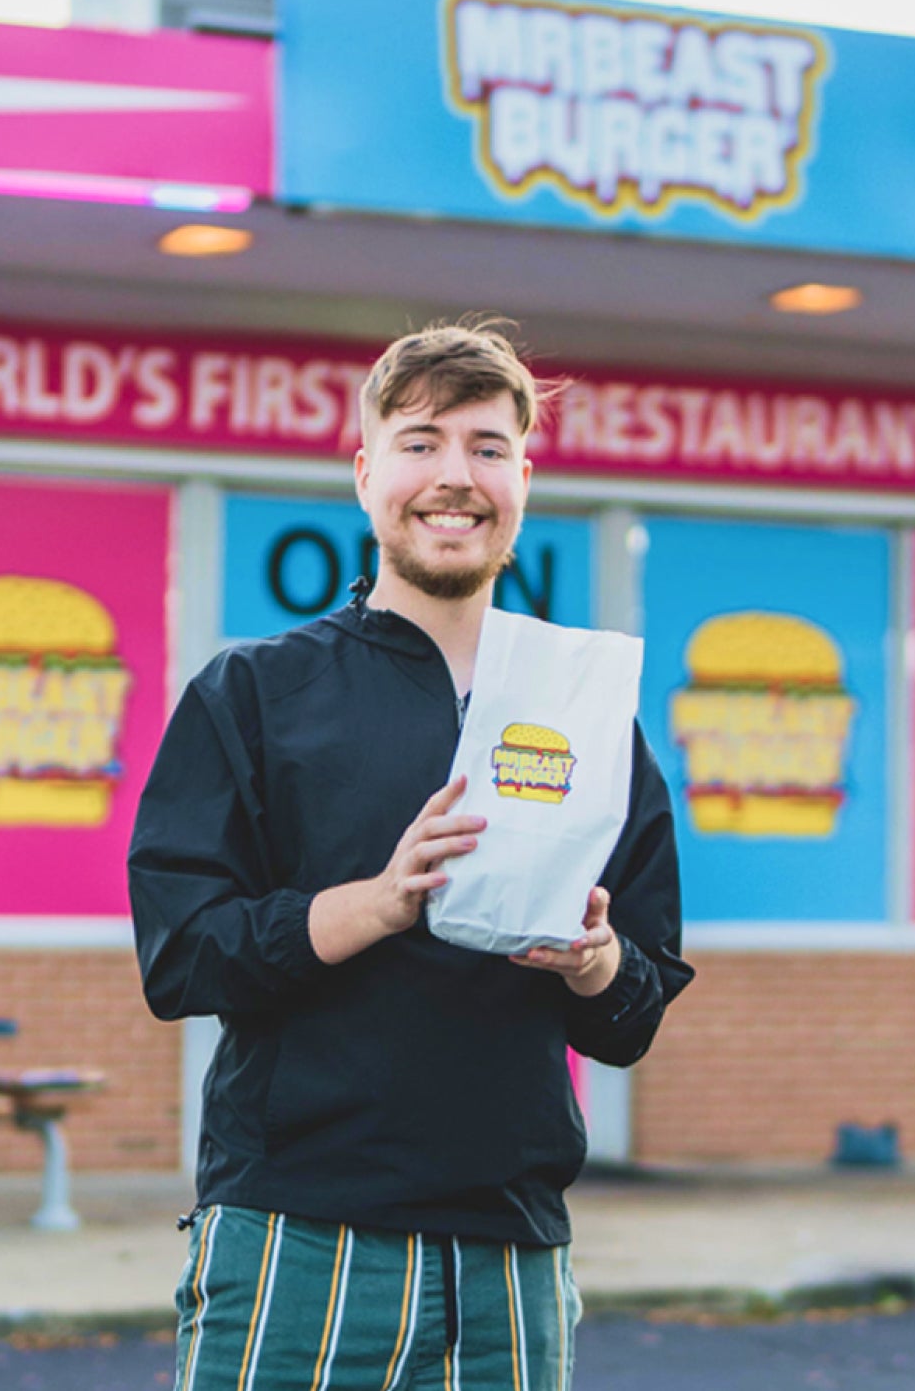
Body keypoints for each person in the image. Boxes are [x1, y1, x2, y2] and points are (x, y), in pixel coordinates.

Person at [129, 318, 693, 1390]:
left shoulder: (586, 715)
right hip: (298, 1226)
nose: (456, 476)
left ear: (524, 478)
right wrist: (381, 903)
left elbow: (637, 1007)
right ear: (364, 473)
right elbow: (181, 959)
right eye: (422, 442)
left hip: (514, 1245)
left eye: (487, 447)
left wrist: (595, 961)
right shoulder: (253, 692)